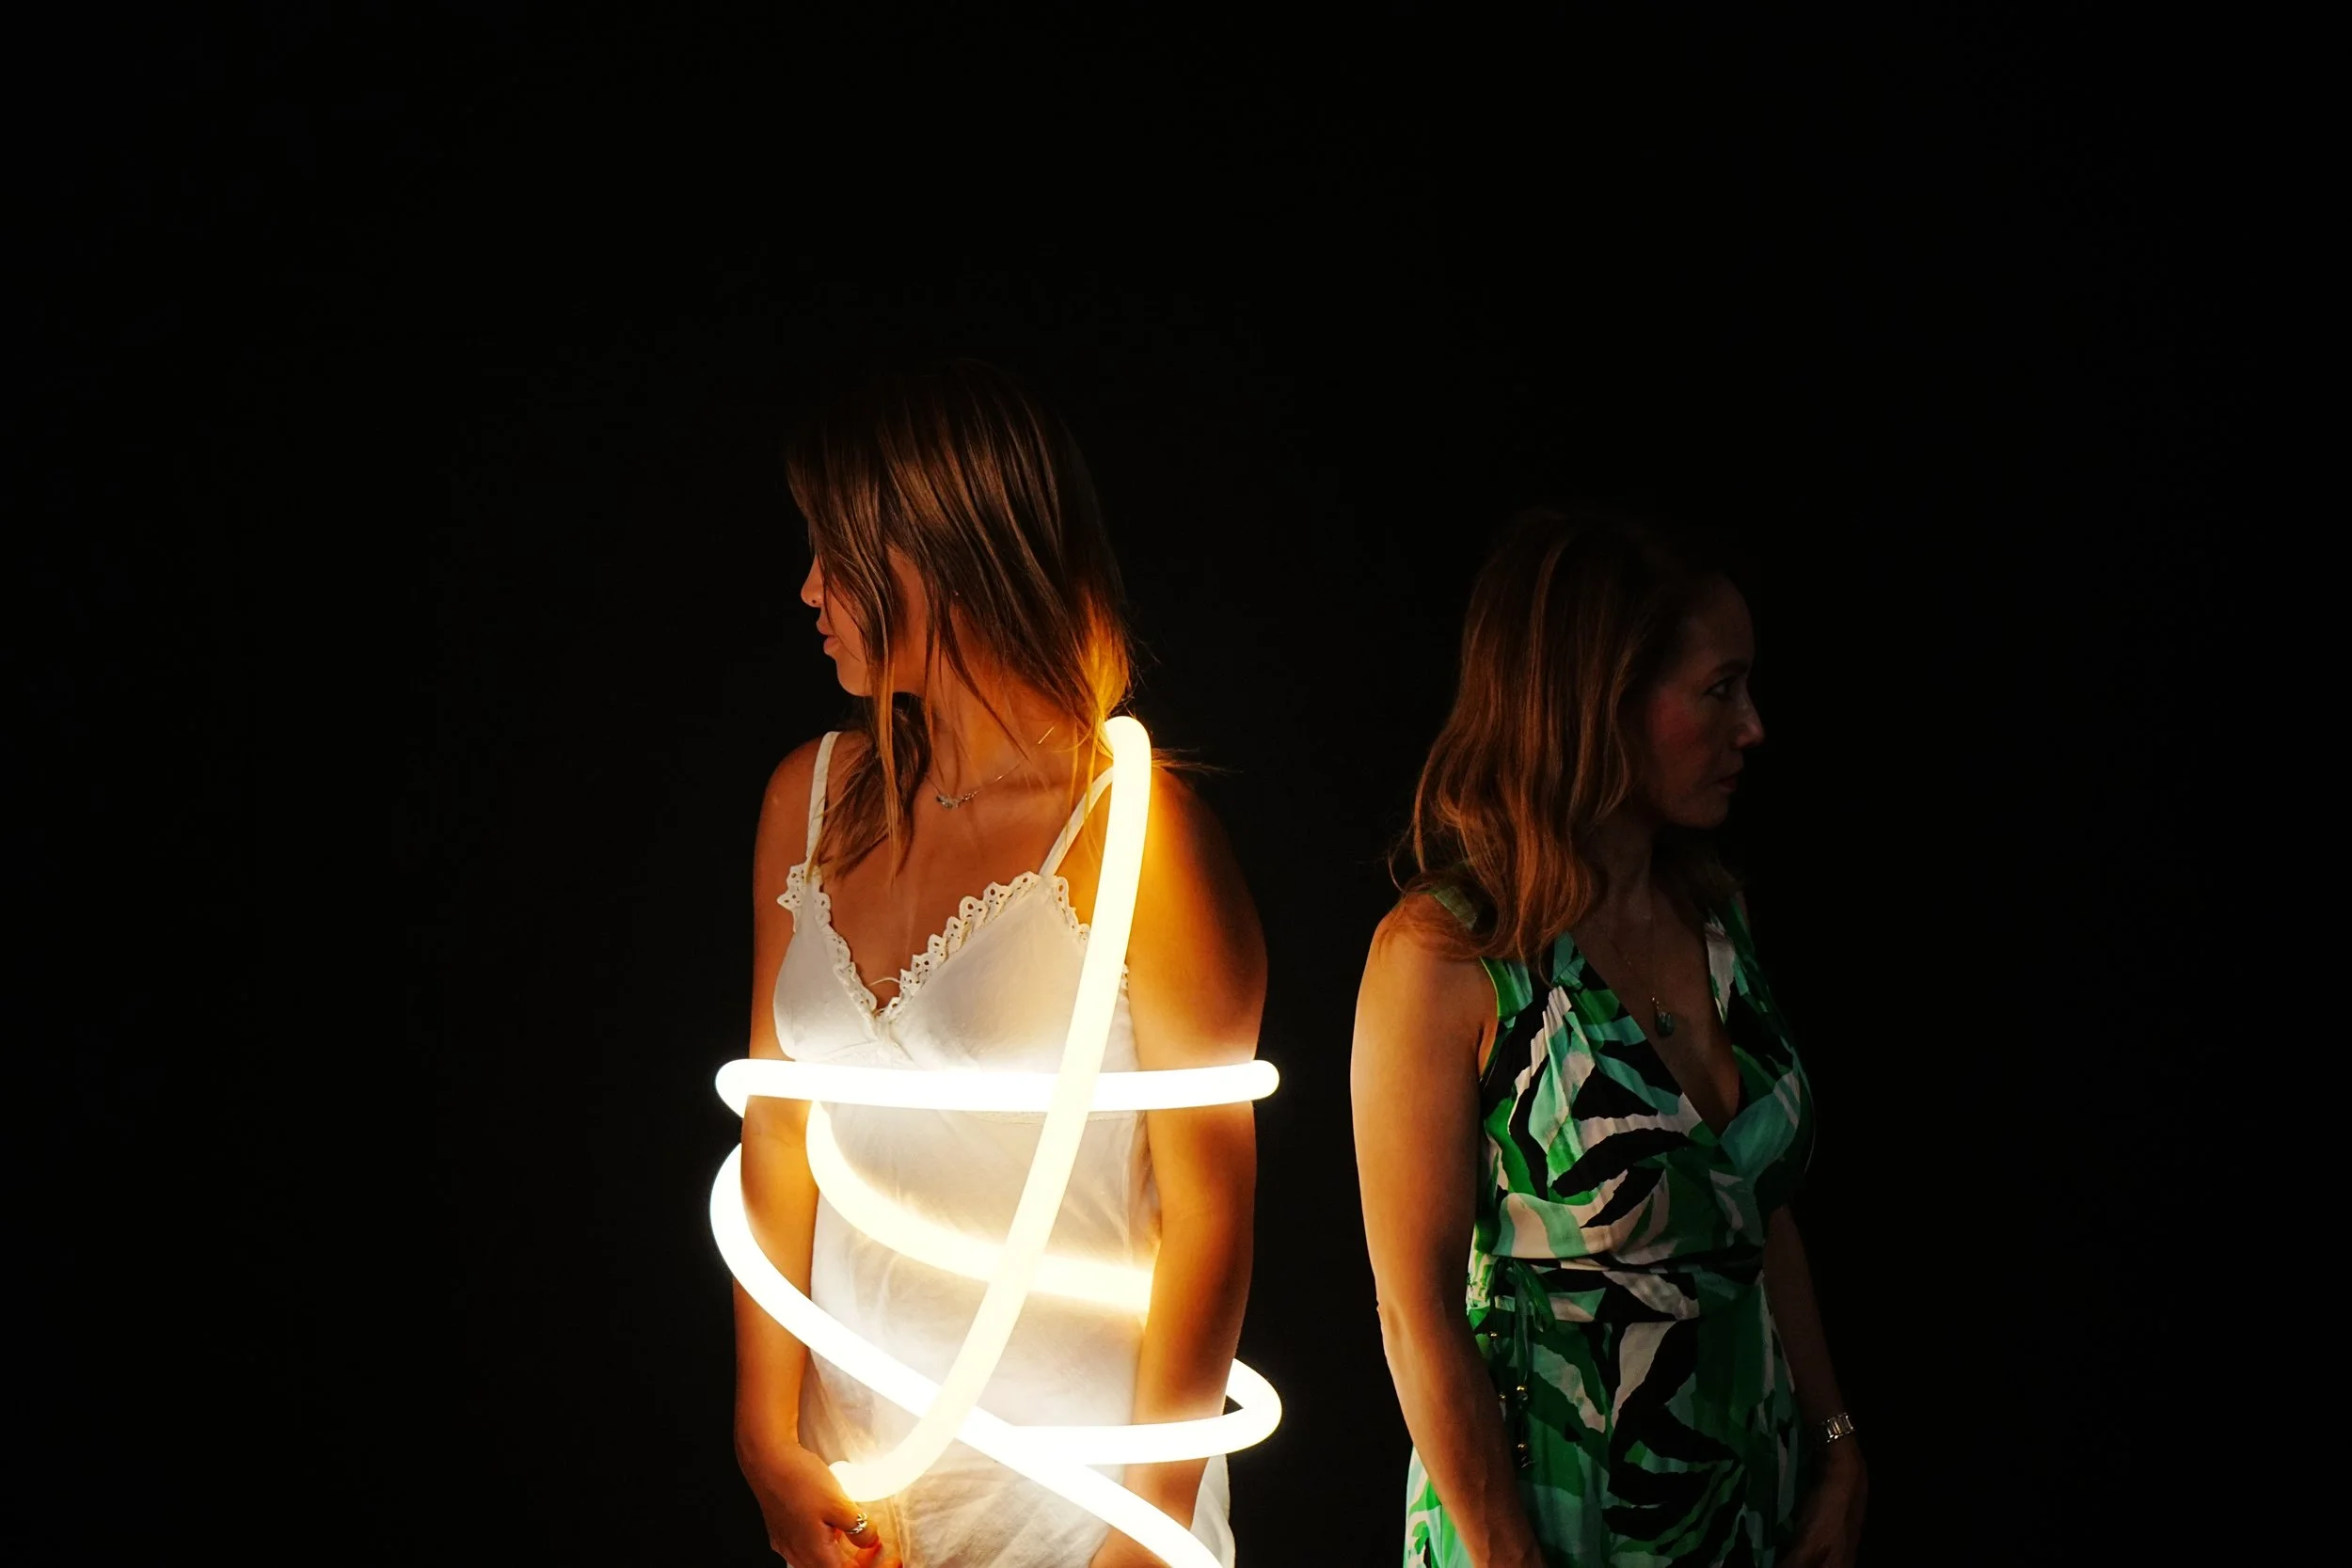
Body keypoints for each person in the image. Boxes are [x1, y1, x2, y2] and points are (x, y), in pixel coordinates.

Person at [731, 361, 1264, 1568]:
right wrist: (765, 1439)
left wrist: (1141, 1533)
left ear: (935, 549)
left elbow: (1209, 1212)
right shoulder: (805, 801)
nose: (809, 588)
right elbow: (774, 1133)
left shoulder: (1136, 836)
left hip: (1073, 1499)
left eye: (835, 549)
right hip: (854, 1490)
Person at [1351, 508, 1867, 1568]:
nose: (1754, 725)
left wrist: (1837, 1447)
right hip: (1555, 1521)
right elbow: (1416, 1312)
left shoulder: (1713, 917)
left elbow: (1754, 1211)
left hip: (1752, 1509)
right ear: (1599, 701)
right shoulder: (1446, 956)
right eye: (1718, 689)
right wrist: (1507, 1555)